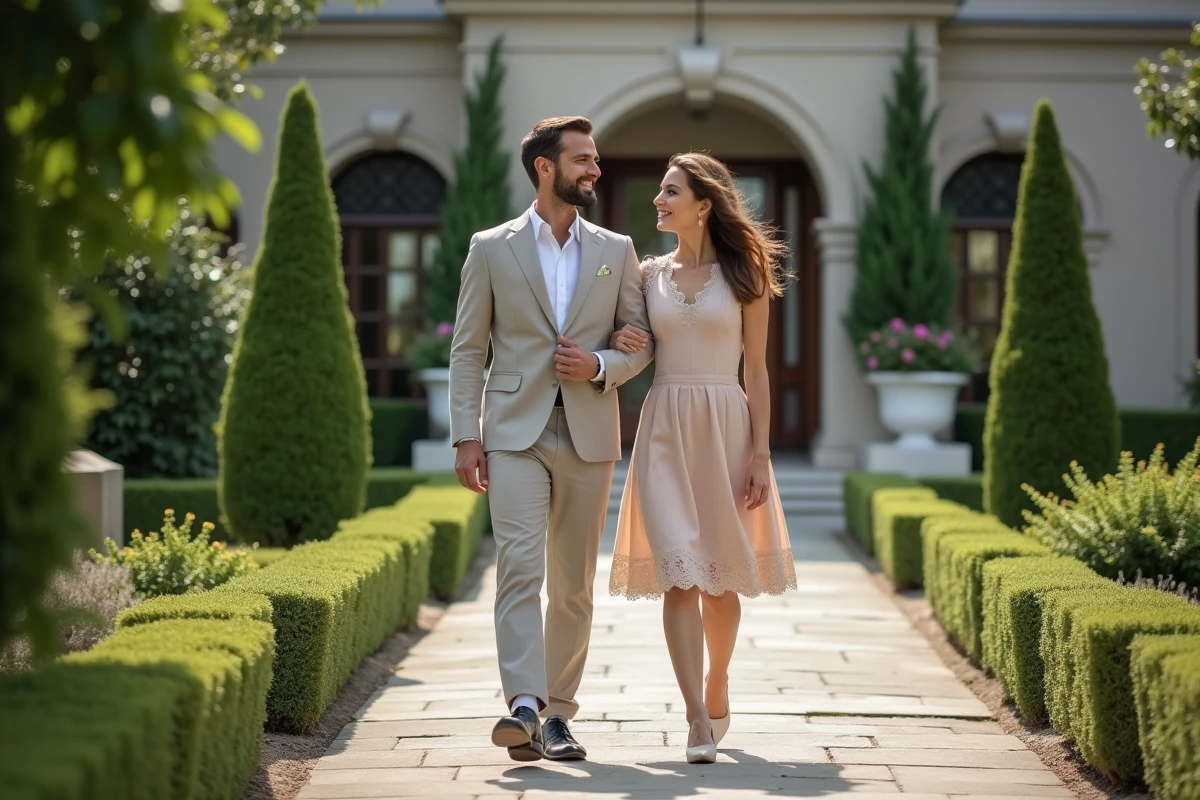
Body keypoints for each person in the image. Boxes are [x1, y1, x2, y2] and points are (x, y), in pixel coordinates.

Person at [449, 116, 654, 762]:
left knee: (571, 585)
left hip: (590, 432)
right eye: (583, 160)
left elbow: (641, 341)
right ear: (545, 167)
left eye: (594, 160)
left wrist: (599, 366)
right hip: (512, 432)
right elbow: (467, 350)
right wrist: (465, 436)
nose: (594, 170)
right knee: (519, 569)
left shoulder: (616, 250)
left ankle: (559, 713)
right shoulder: (490, 247)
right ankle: (524, 706)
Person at [607, 152, 796, 763]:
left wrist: (761, 454)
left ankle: (717, 684)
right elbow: (626, 334)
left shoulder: (747, 275)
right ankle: (694, 717)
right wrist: (617, 339)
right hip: (663, 428)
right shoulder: (646, 274)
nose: (658, 201)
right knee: (680, 577)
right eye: (661, 191)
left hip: (727, 428)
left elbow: (759, 372)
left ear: (703, 204)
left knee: (720, 585)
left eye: (670, 192)